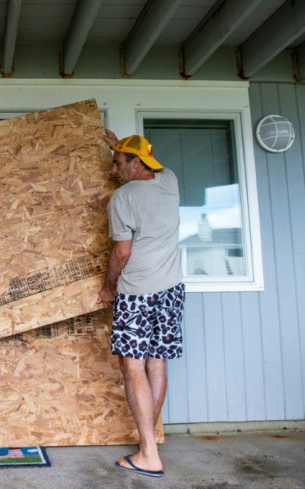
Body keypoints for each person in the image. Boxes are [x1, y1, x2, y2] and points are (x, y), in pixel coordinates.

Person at [96, 131, 184, 478]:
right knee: (156, 364)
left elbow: (121, 252)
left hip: (136, 293)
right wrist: (117, 145)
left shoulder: (123, 198)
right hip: (171, 290)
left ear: (135, 163)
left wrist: (108, 287)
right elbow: (147, 161)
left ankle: (148, 453)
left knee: (132, 367)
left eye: (117, 163)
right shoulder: (170, 181)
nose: (113, 169)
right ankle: (149, 443)